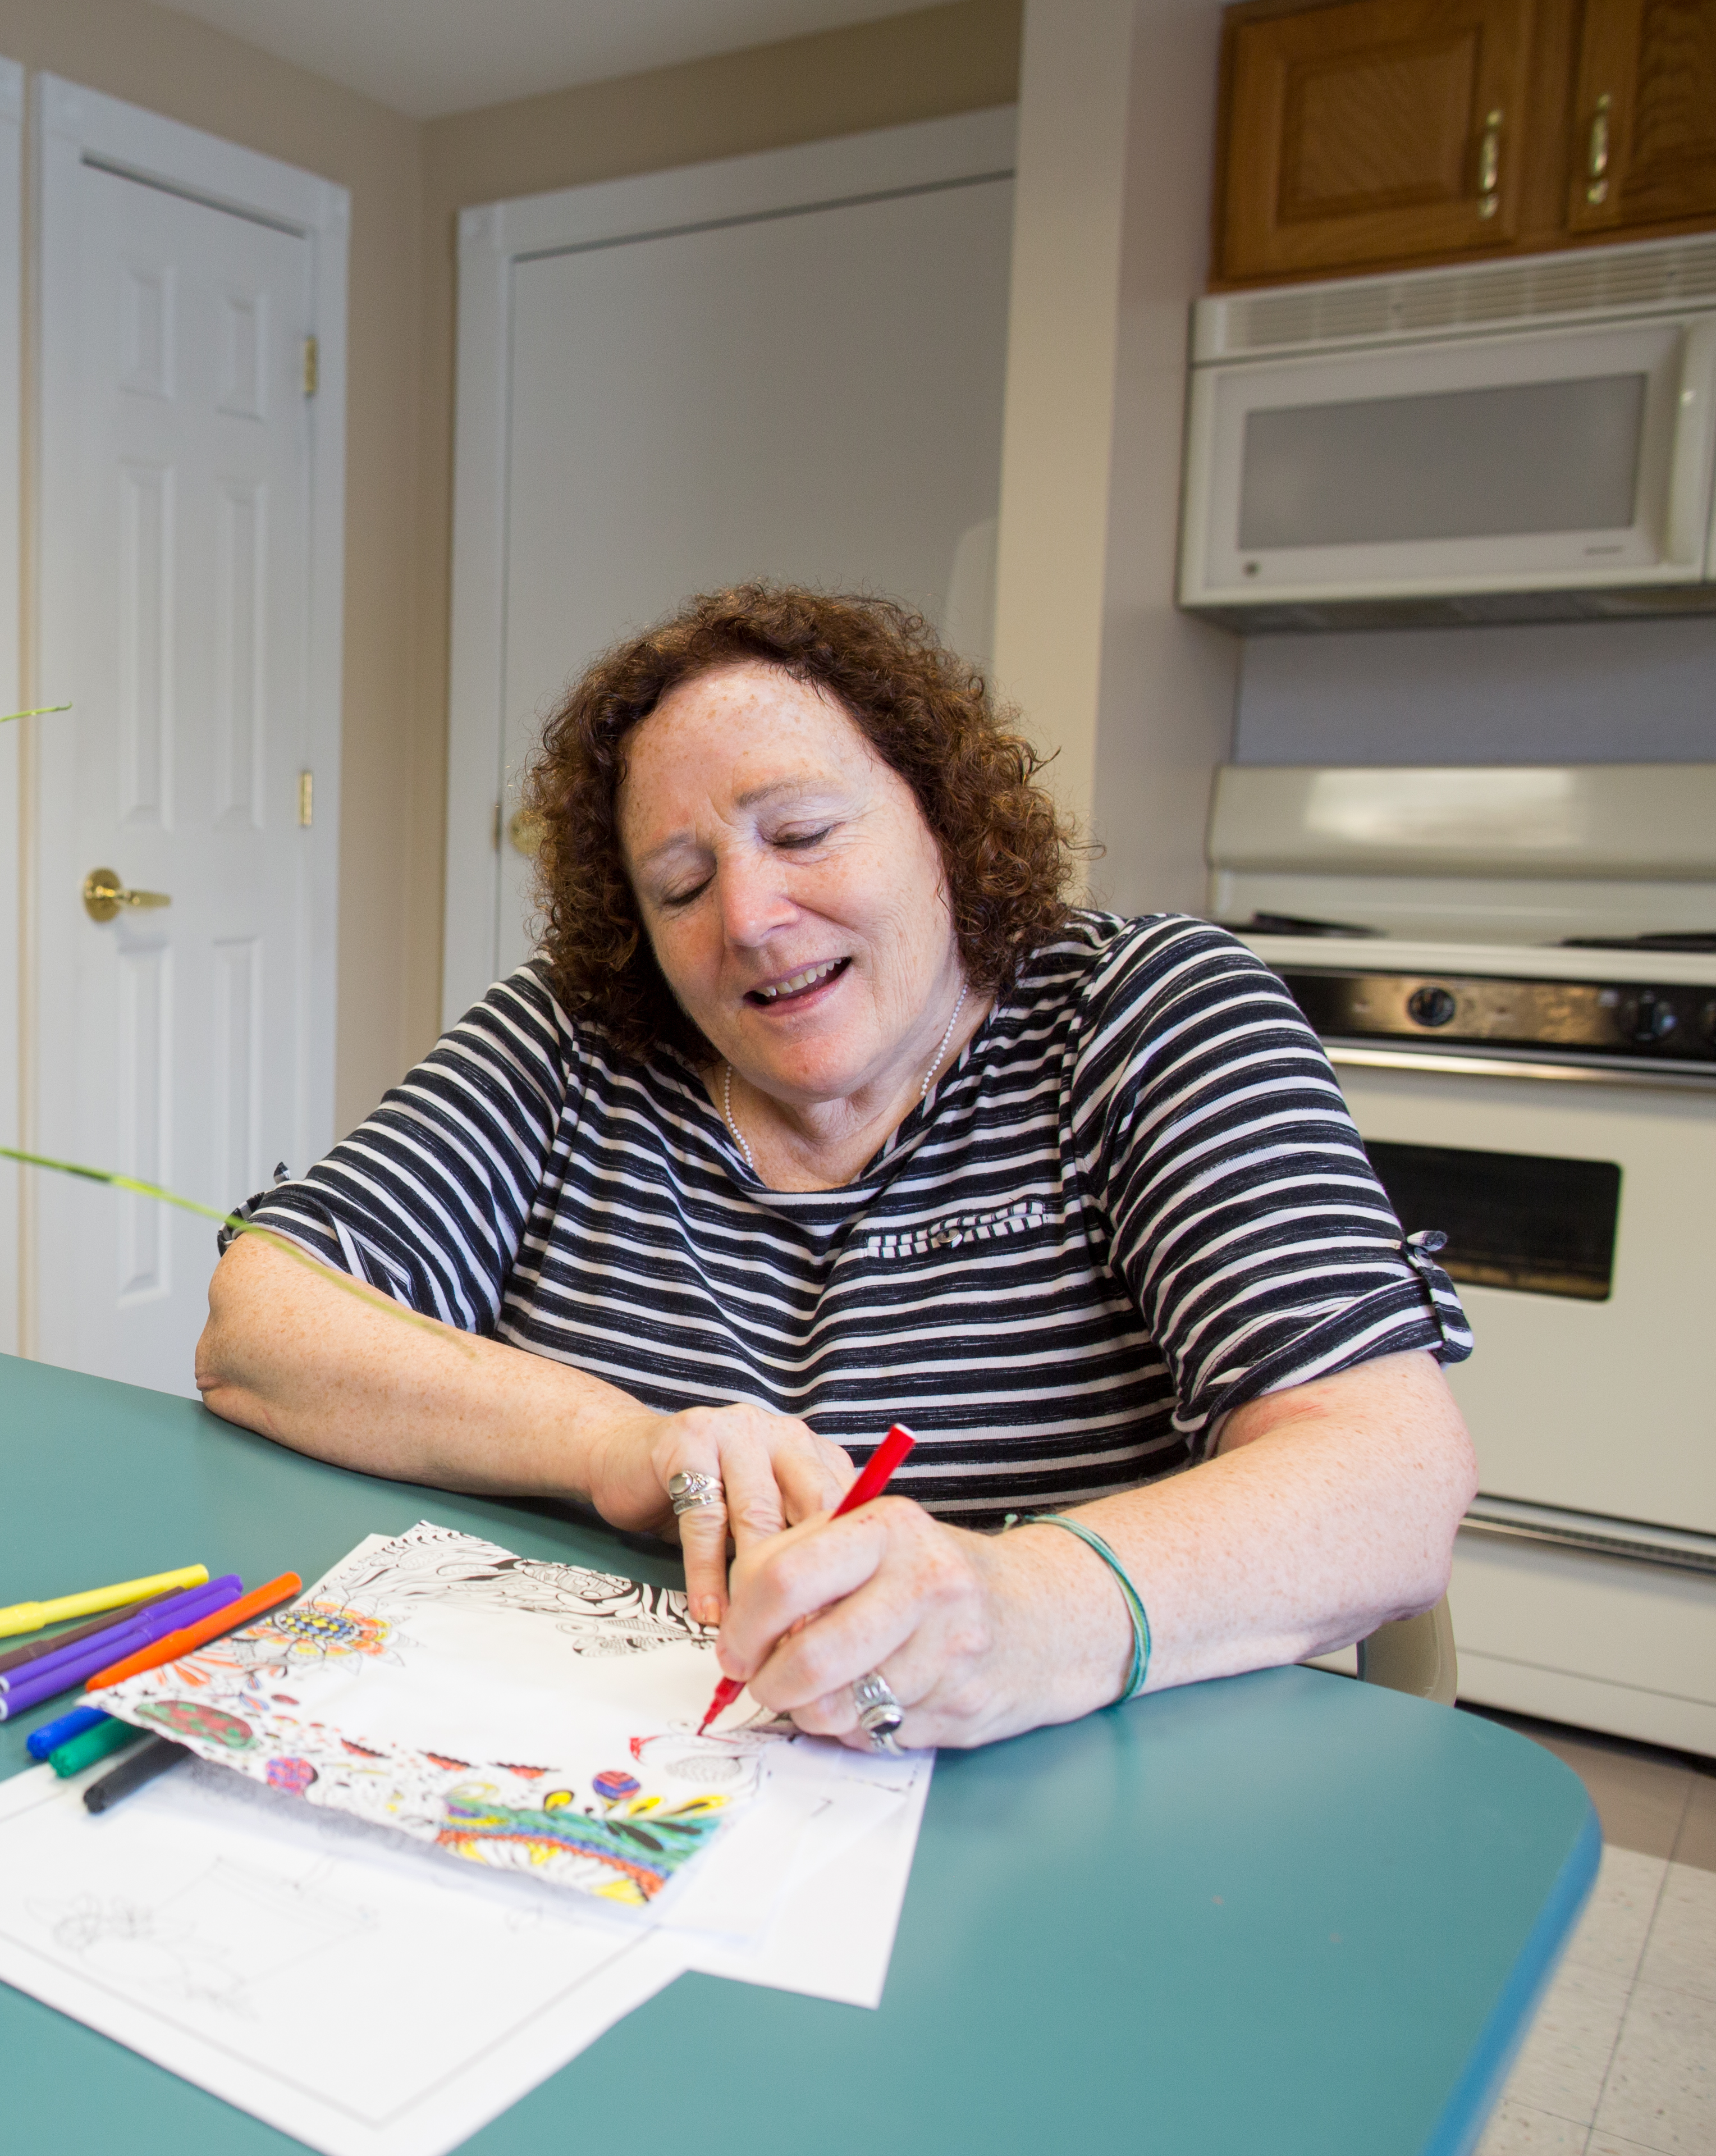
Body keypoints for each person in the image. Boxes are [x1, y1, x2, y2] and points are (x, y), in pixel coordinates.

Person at [195, 584, 1476, 1754]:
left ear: (942, 819)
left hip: (1059, 1792)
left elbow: (1390, 1477)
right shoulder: (574, 1037)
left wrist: (1021, 1608)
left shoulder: (1144, 1014)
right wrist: (623, 1446)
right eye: (681, 885)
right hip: (624, 1758)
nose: (749, 918)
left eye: (803, 832)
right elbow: (264, 1318)